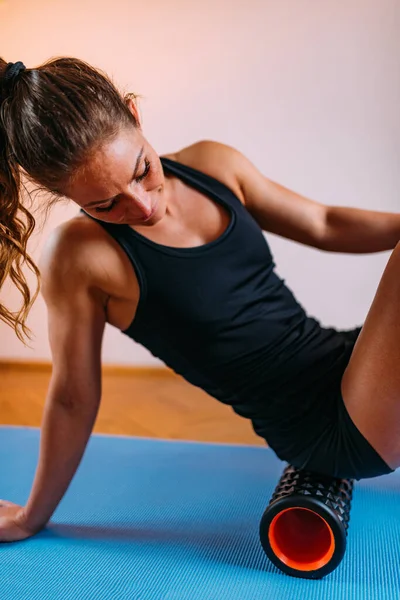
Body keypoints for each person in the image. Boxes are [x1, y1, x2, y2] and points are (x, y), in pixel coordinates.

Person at [0, 56, 398, 544]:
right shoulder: (79, 257)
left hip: (348, 363)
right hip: (330, 426)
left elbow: (325, 223)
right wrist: (30, 516)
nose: (142, 206)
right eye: (105, 205)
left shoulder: (212, 165)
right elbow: (71, 396)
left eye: (141, 171)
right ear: (66, 196)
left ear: (135, 115)